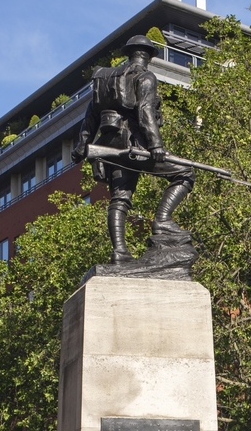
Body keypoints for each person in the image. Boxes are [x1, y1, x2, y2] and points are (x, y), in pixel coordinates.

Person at [72, 35, 195, 264]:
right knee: (185, 172)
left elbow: (90, 117)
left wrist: (82, 144)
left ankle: (119, 252)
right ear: (147, 56)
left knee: (119, 198)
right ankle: (162, 220)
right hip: (134, 145)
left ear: (129, 53)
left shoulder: (106, 78)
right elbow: (145, 111)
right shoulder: (145, 76)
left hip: (109, 147)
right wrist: (156, 145)